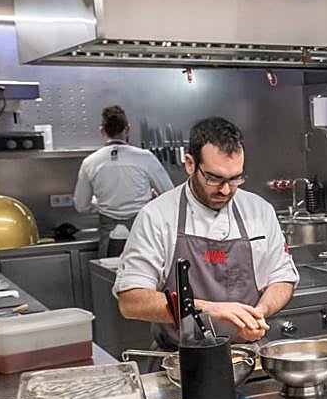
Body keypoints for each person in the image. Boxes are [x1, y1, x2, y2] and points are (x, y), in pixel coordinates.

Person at [113, 116, 297, 348]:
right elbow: (131, 301)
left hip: (247, 355)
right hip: (180, 360)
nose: (225, 189)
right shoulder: (157, 216)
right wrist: (212, 309)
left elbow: (282, 276)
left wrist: (259, 313)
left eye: (235, 178)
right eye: (214, 178)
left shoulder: (260, 210)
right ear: (190, 164)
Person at [74, 105, 174, 257]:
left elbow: (81, 205)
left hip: (109, 235)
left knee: (108, 276)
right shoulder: (145, 158)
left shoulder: (90, 162)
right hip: (143, 233)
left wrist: (98, 204)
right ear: (127, 129)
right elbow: (170, 195)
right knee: (146, 276)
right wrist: (151, 198)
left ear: (102, 131)